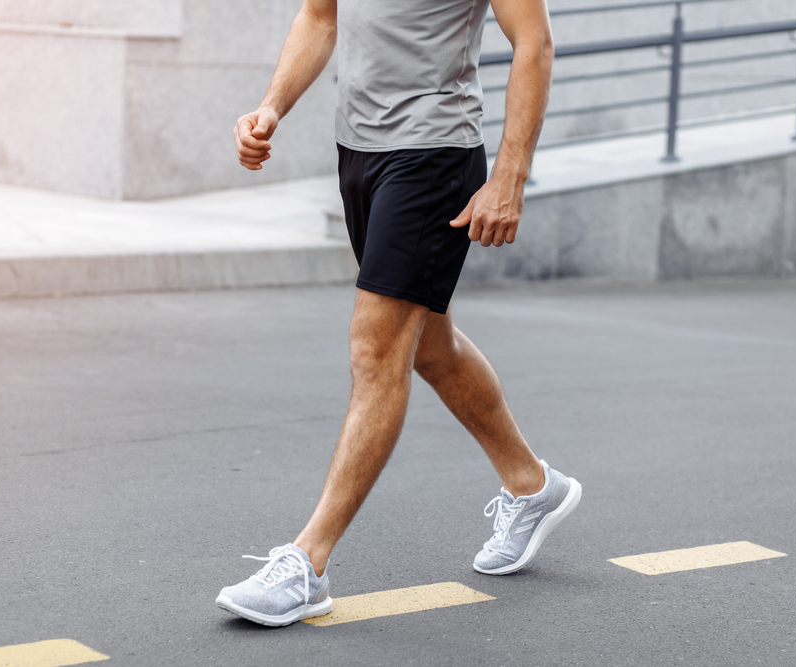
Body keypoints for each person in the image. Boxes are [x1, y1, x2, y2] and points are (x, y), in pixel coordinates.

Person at [216, 0, 581, 627]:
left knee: (376, 350)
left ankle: (308, 563)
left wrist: (510, 176)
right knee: (429, 347)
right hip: (358, 152)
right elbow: (320, 16)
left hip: (433, 154)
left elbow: (533, 42)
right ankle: (531, 484)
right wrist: (272, 106)